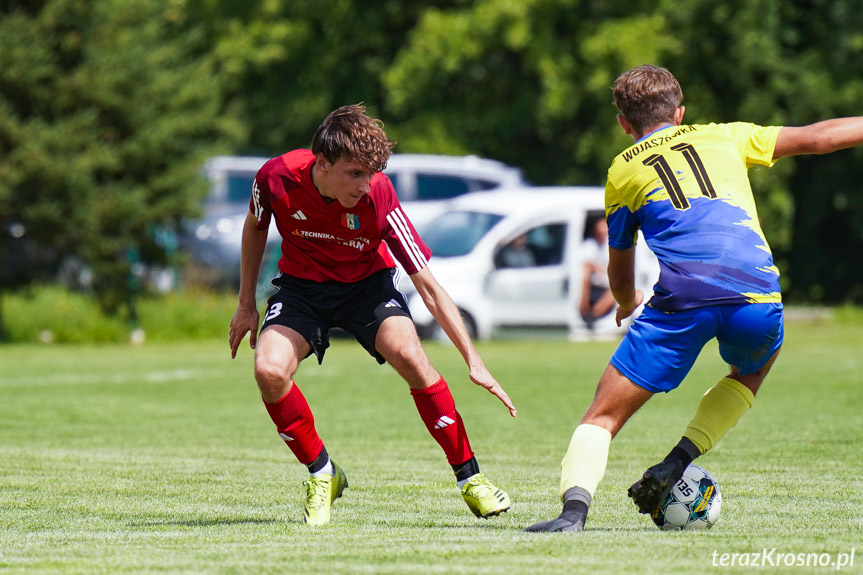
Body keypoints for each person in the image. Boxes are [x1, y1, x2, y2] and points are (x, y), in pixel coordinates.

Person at [526, 64, 863, 533]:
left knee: (602, 415)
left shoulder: (622, 172)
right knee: (753, 371)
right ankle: (679, 458)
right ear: (680, 113)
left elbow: (619, 269)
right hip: (756, 294)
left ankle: (572, 513)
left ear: (624, 123)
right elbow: (820, 138)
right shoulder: (727, 136)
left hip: (682, 300)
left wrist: (626, 301)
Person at [228, 104, 517, 527]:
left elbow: (430, 289)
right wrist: (245, 303)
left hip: (367, 287)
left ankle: (471, 480)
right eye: (355, 173)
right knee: (269, 370)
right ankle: (322, 472)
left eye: (371, 173)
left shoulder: (380, 194)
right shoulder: (274, 177)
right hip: (302, 289)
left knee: (413, 358)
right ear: (322, 163)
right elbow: (255, 225)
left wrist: (474, 361)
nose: (366, 185)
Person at [577, 217, 615, 330]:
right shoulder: (589, 245)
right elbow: (584, 264)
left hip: (607, 284)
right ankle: (584, 310)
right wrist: (596, 268)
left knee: (615, 292)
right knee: (585, 274)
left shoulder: (612, 246)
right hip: (592, 283)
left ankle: (593, 316)